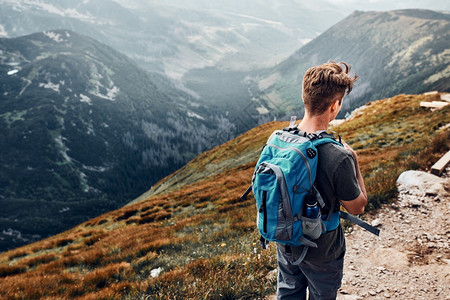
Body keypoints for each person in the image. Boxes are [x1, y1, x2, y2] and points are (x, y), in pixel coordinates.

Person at [276, 61, 368, 299]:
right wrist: (354, 160)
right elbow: (357, 207)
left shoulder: (279, 140)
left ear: (304, 96)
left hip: (285, 238)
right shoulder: (339, 156)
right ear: (335, 106)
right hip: (323, 249)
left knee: (288, 293)